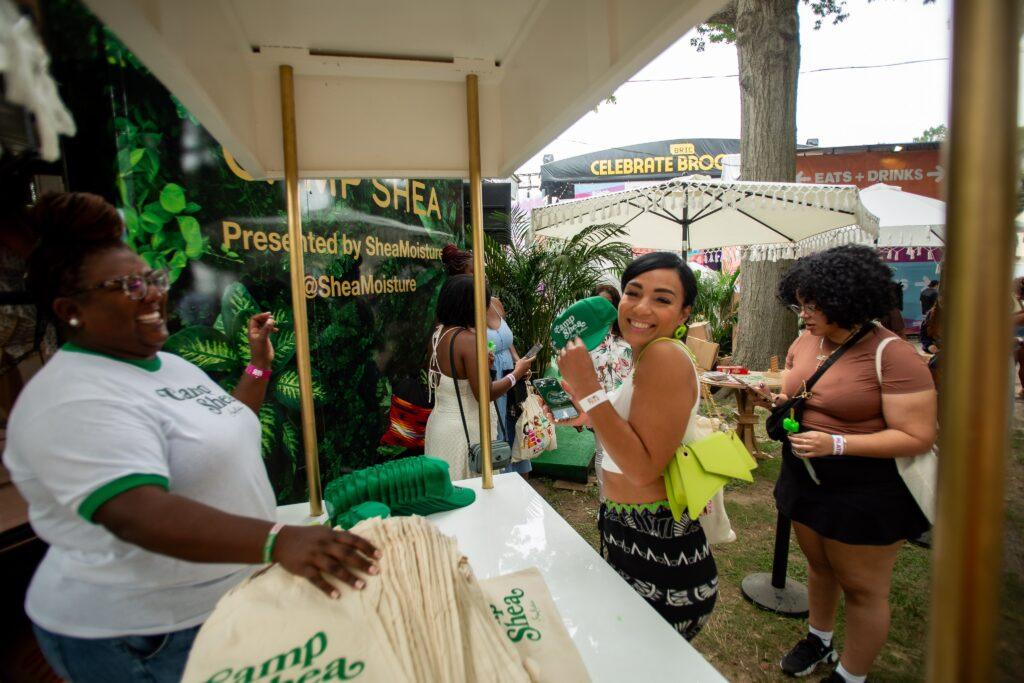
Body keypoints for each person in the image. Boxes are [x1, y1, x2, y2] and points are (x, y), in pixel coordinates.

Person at [3, 193, 379, 682]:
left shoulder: (168, 365)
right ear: (70, 309)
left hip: (218, 606)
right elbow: (138, 513)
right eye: (128, 285)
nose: (153, 294)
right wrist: (277, 540)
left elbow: (228, 424)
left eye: (153, 279)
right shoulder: (74, 396)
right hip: (145, 635)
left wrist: (258, 364)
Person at [767, 245, 936, 683]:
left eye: (814, 305)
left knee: (863, 588)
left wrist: (837, 444)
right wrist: (781, 404)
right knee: (821, 565)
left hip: (866, 489)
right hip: (805, 475)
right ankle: (819, 640)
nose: (804, 314)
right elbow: (797, 391)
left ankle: (852, 674)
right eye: (800, 303)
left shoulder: (893, 354)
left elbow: (917, 435)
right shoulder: (805, 341)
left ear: (848, 299)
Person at [552, 252, 717, 641]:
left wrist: (591, 389)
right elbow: (632, 437)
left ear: (683, 313)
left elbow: (642, 470)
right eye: (633, 292)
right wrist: (586, 407)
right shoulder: (645, 356)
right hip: (633, 538)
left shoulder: (663, 356)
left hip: (661, 555)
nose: (641, 307)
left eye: (662, 299)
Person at [424, 274, 533, 480]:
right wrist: (516, 374)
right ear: (470, 306)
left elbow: (452, 377)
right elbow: (484, 394)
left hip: (439, 428)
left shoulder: (437, 334)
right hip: (465, 434)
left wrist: (481, 364)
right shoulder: (469, 341)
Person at [588, 284, 633, 500]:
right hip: (600, 403)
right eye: (598, 303)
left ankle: (628, 498)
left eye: (608, 303)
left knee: (627, 451)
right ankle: (605, 503)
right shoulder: (587, 337)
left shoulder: (628, 334)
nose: (603, 308)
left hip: (628, 401)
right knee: (602, 452)